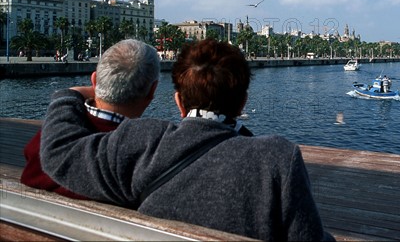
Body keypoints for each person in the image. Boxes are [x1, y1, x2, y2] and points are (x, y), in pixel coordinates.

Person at [40, 39, 333, 241]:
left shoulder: (139, 141)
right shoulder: (276, 159)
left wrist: (70, 95)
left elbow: (59, 151)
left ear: (179, 102)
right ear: (242, 102)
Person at [21, 39, 160, 199]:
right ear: (152, 91)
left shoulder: (53, 136)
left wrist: (72, 94)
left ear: (94, 80)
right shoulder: (142, 154)